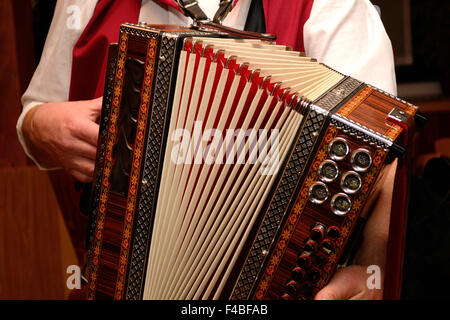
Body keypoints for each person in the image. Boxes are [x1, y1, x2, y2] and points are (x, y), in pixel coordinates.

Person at [17, 0, 398, 300]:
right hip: (118, 279)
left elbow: (382, 160)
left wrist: (373, 268)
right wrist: (37, 128)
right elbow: (36, 111)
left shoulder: (329, 5)